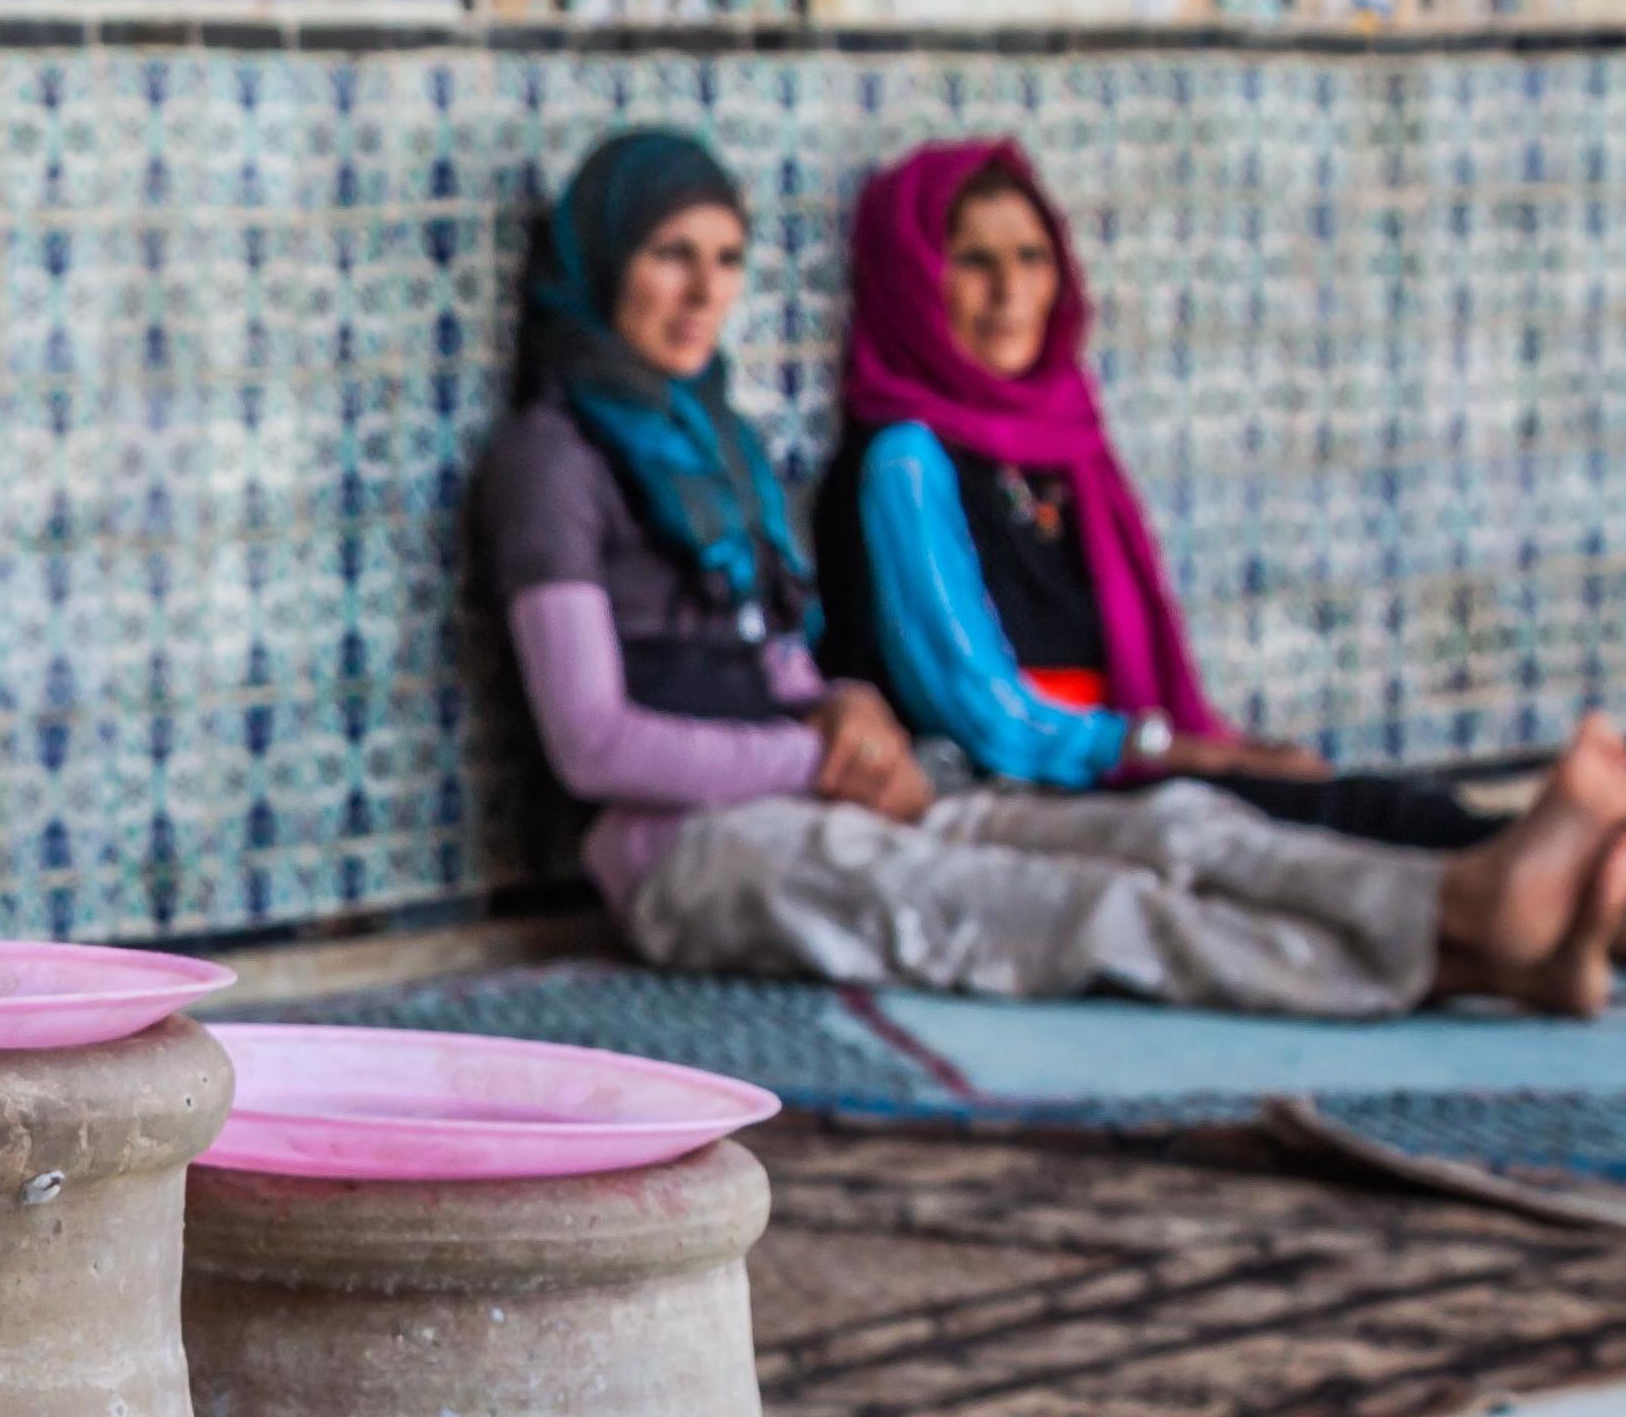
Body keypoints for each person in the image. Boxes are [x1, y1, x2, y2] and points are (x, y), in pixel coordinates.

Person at [470, 126, 1626, 1019]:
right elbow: (592, 742)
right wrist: (814, 761)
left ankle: (1489, 931)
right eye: (668, 256)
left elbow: (772, 657)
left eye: (723, 261)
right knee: (1081, 912)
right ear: (602, 264)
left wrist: (843, 708)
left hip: (835, 785)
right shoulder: (550, 458)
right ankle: (1465, 932)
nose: (699, 294)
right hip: (689, 849)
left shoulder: (708, 443)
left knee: (1177, 833)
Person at [814, 137, 1557, 852]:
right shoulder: (904, 462)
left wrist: (1200, 750)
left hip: (1109, 768)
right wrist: (1172, 750)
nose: (1009, 292)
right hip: (1010, 793)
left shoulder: (1064, 449)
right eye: (973, 262)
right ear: (912, 279)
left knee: (1374, 811)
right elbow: (980, 714)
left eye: (1030, 258)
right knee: (1339, 826)